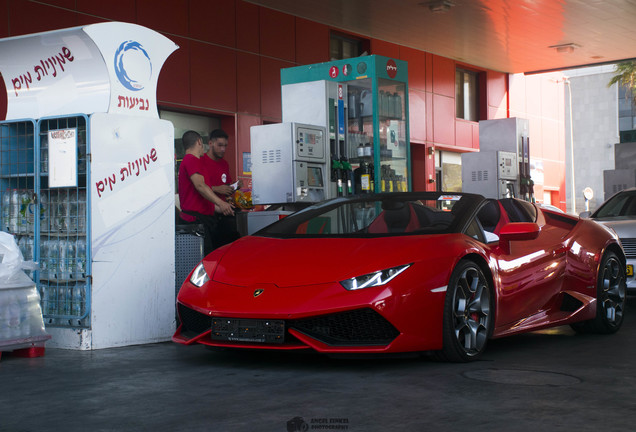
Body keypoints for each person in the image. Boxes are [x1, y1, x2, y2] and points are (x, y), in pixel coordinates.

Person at [178, 130, 233, 255]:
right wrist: (221, 202)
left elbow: (199, 197)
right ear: (199, 142)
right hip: (194, 222)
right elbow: (200, 186)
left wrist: (221, 208)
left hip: (201, 220)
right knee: (204, 260)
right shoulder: (191, 159)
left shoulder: (193, 161)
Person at [200, 129, 241, 249]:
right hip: (207, 215)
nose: (223, 149)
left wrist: (235, 187)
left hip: (223, 216)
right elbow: (198, 187)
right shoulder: (201, 162)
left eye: (225, 146)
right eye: (219, 145)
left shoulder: (224, 164)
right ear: (210, 143)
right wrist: (216, 189)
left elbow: (226, 187)